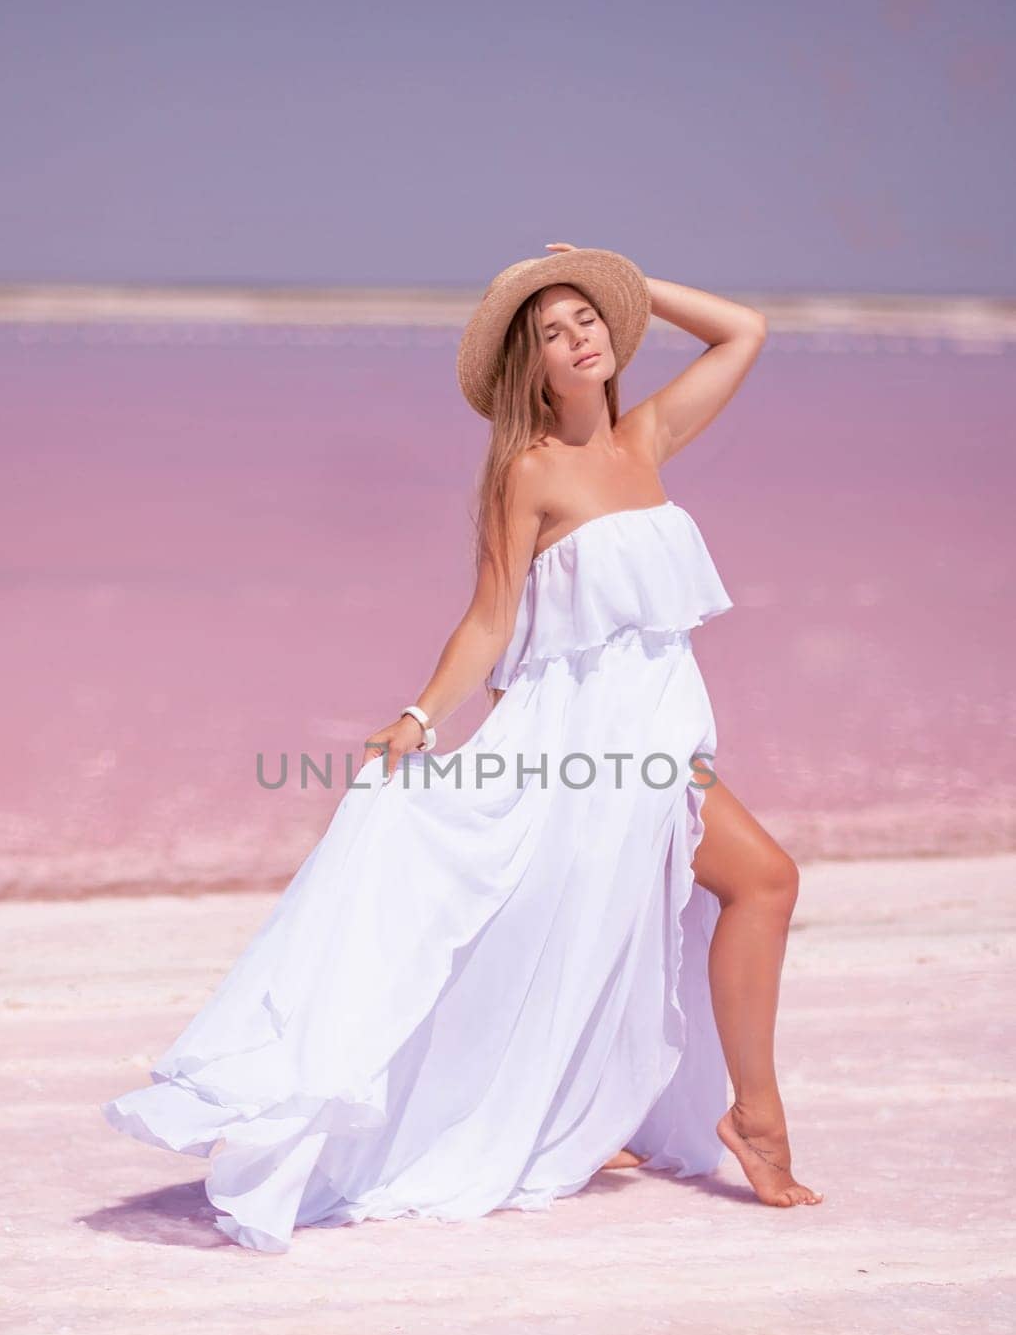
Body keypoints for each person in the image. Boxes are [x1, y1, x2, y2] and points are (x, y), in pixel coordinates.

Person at [102, 243, 823, 1254]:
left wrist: (619, 275)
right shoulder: (528, 471)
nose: (576, 340)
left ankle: (610, 1108)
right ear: (527, 369)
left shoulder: (645, 436)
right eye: (551, 333)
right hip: (585, 737)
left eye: (588, 322)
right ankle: (749, 1115)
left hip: (651, 721)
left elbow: (743, 328)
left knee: (618, 917)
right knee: (759, 882)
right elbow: (488, 620)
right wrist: (419, 716)